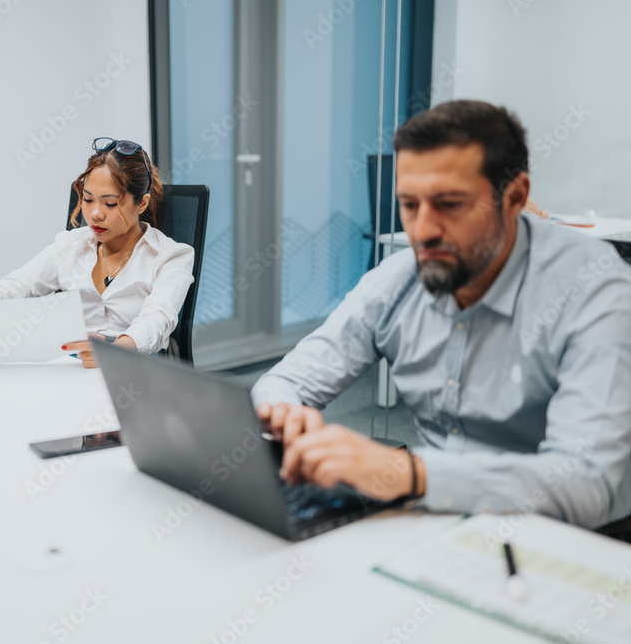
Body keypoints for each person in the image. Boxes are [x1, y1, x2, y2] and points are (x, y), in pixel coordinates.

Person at [252, 100, 631, 530]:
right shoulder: (397, 281)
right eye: (410, 205)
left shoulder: (597, 292)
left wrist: (410, 473)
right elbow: (280, 383)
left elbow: (586, 484)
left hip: (564, 535)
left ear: (515, 198)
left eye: (449, 204)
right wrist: (285, 413)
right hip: (433, 516)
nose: (424, 230)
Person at [0, 138, 194, 367]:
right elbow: (18, 285)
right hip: (73, 363)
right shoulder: (69, 245)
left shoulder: (172, 256)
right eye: (88, 200)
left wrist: (111, 352)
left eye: (110, 204)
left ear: (141, 204)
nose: (95, 214)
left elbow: (156, 320)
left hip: (134, 367)